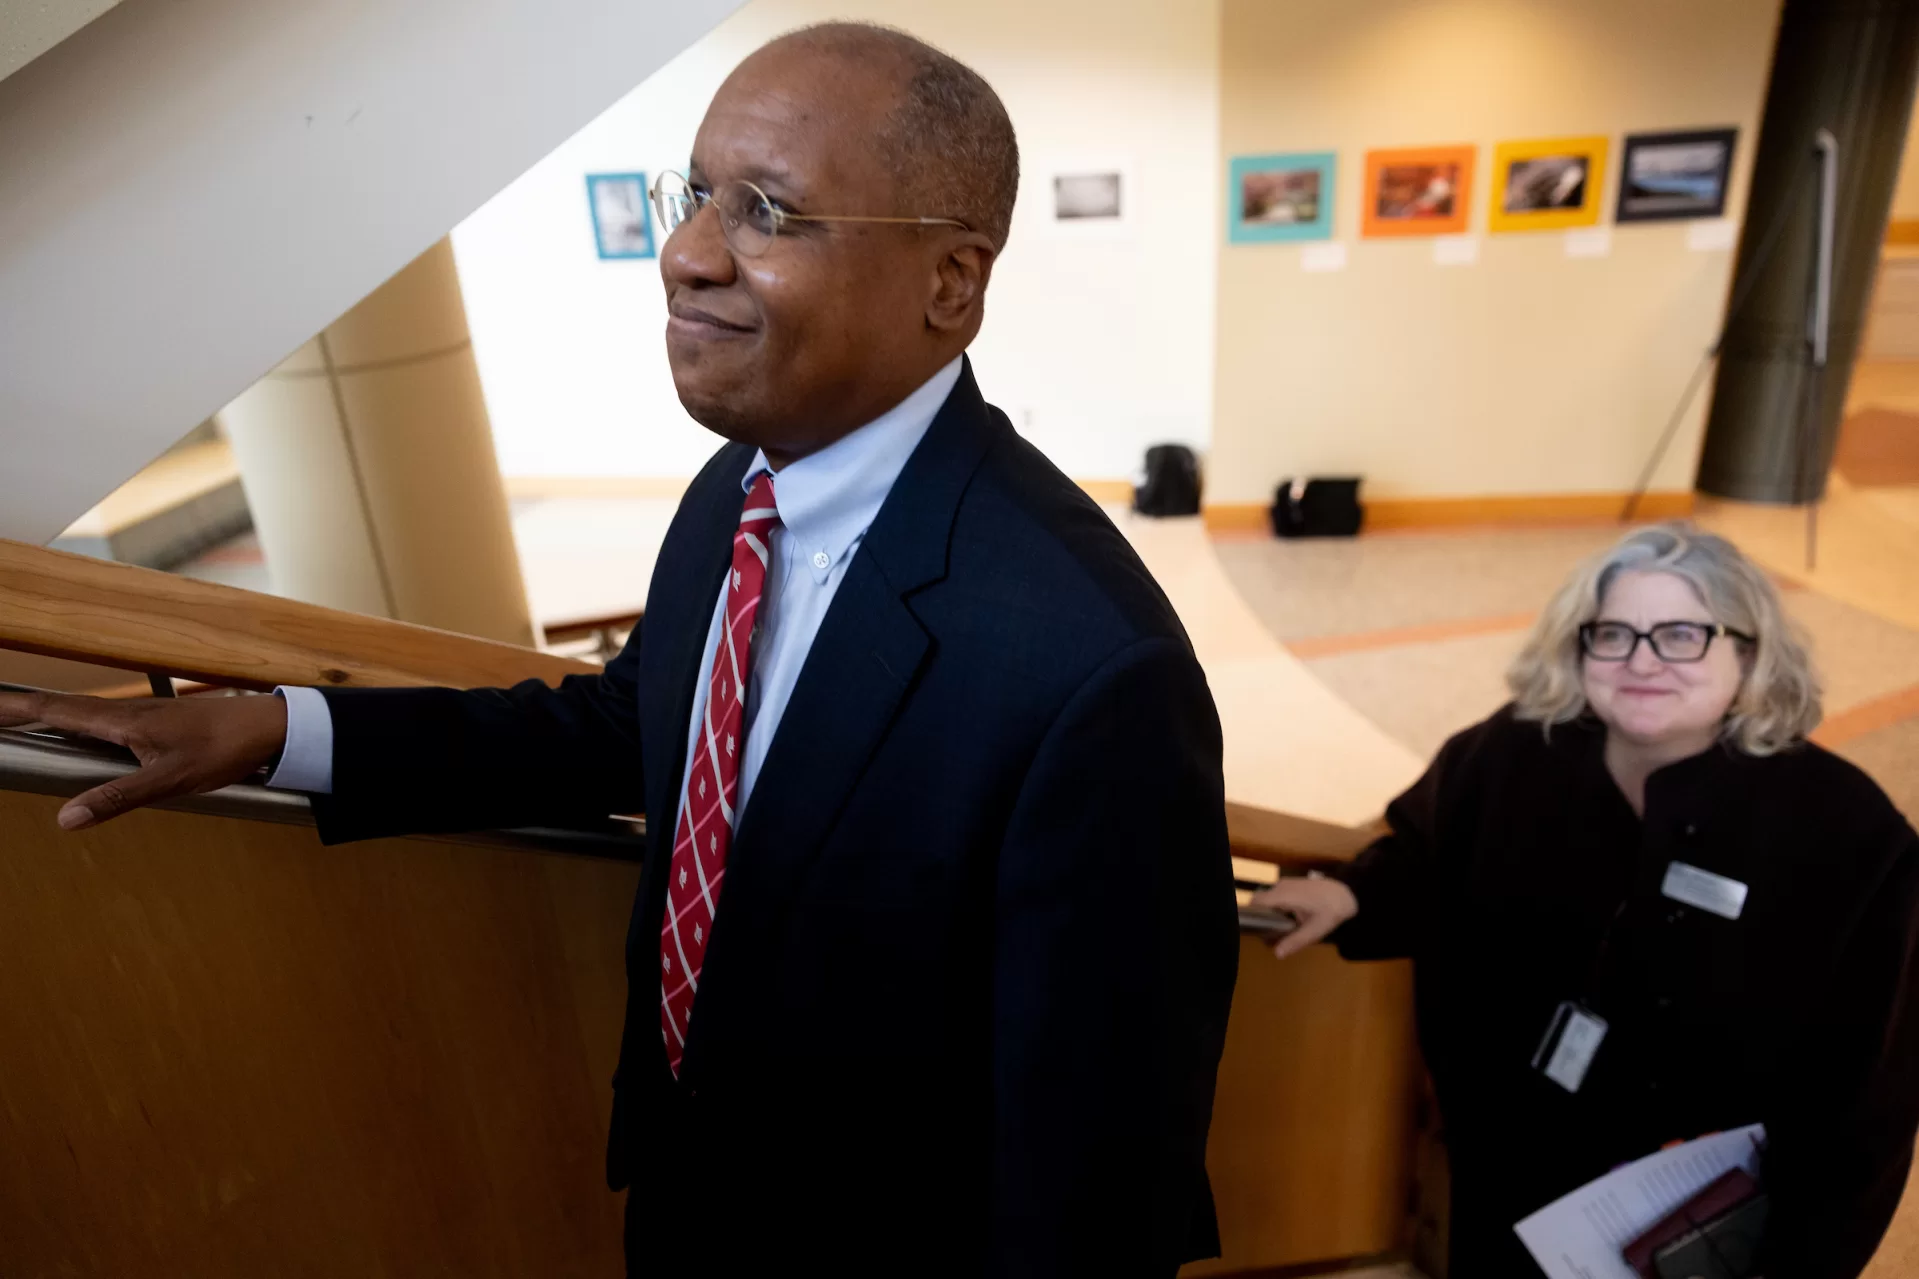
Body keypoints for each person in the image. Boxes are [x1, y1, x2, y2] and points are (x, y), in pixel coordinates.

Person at [0, 24, 1239, 1276]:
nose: (686, 254)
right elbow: (631, 724)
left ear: (951, 283)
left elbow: (1096, 1182)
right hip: (686, 1199)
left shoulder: (1091, 671)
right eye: (697, 193)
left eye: (766, 212)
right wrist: (276, 729)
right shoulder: (737, 494)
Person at [1254, 523, 1919, 1278]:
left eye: (1680, 634)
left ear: (1748, 651)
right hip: (1515, 1170)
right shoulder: (1514, 751)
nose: (1641, 661)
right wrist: (1350, 891)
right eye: (1613, 633)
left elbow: (1867, 1100)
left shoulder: (1847, 834)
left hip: (1704, 1220)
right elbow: (1426, 851)